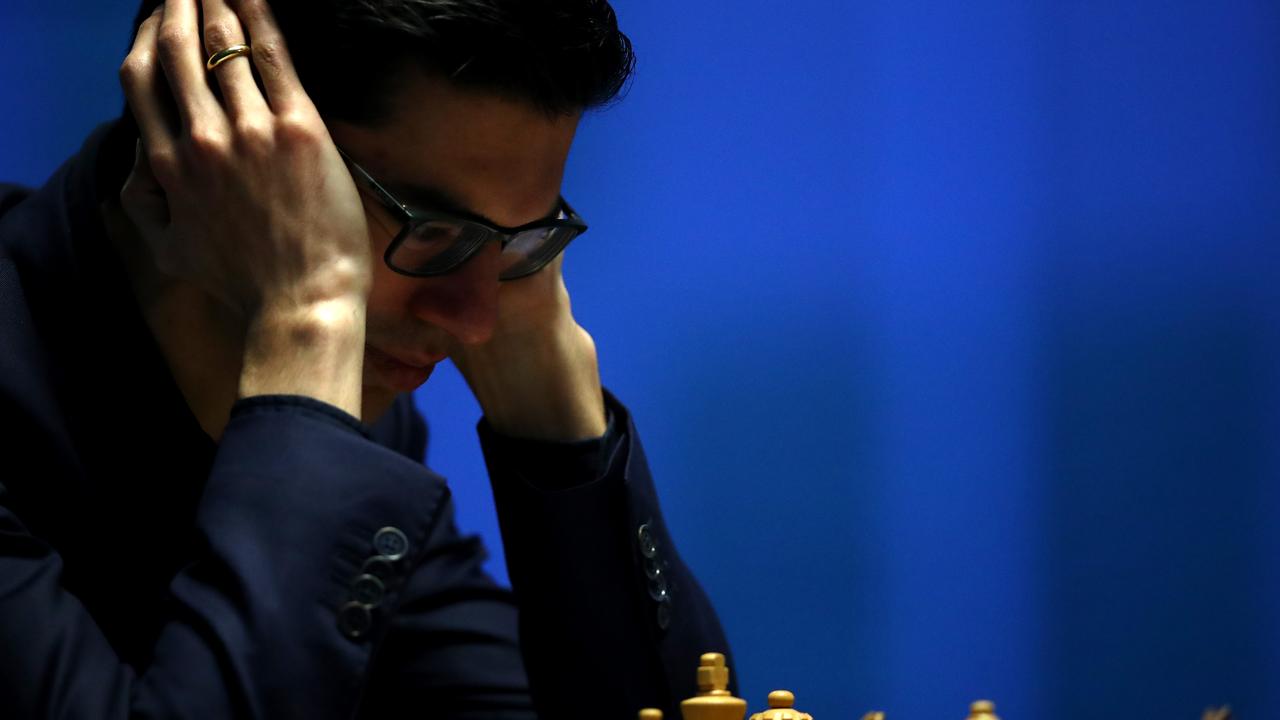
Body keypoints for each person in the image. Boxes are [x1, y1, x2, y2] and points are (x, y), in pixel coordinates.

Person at [0, 0, 733, 717]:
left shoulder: (351, 421)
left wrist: (554, 417)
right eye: (432, 229)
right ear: (208, 143)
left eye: (513, 244)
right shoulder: (321, 391)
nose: (476, 322)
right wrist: (309, 314)